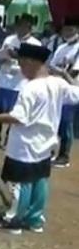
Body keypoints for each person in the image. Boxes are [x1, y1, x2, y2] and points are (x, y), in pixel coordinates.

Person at [0, 43, 79, 234]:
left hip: (24, 144)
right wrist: (65, 75)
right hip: (45, 143)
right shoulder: (58, 83)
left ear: (31, 62)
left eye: (21, 65)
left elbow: (19, 118)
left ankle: (13, 220)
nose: (21, 70)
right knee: (39, 180)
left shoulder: (30, 88)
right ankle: (34, 219)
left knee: (18, 182)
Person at [0, 14, 41, 146]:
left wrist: (16, 57)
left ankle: (9, 137)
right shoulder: (9, 39)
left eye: (25, 26)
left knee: (15, 112)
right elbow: (0, 55)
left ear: (30, 27)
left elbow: (35, 64)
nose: (21, 28)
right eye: (19, 25)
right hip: (3, 80)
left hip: (20, 83)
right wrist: (2, 59)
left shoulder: (35, 44)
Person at [48, 17, 79, 167]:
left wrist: (60, 72)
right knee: (54, 121)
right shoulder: (61, 47)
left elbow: (74, 72)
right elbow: (51, 66)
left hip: (72, 90)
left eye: (70, 30)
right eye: (65, 30)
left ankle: (64, 155)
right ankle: (50, 151)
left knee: (66, 123)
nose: (67, 33)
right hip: (57, 89)